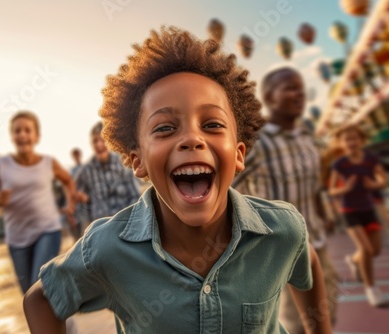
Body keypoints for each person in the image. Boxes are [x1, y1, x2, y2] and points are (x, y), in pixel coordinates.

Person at [24, 27, 331, 333]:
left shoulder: (282, 230)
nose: (192, 139)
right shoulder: (107, 249)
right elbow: (41, 301)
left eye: (211, 124)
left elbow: (307, 267)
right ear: (138, 160)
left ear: (239, 154)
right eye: (164, 128)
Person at [232, 67, 338, 333]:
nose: (299, 93)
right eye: (290, 87)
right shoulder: (255, 142)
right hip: (278, 252)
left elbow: (314, 186)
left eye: (301, 87)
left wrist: (323, 214)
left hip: (317, 246)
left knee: (325, 318)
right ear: (269, 96)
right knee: (295, 325)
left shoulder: (308, 138)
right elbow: (224, 188)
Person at [0, 111, 77, 294]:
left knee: (38, 287)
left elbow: (68, 181)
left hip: (48, 231)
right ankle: (65, 321)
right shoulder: (1, 165)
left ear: (36, 136)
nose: (22, 135)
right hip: (17, 239)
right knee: (28, 295)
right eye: (17, 131)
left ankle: (61, 320)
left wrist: (70, 204)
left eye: (27, 130)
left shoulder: (48, 163)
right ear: (12, 136)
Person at [329, 124, 387, 307]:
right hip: (349, 211)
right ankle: (372, 290)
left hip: (368, 209)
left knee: (375, 250)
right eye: (347, 139)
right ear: (341, 143)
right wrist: (344, 188)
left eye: (354, 138)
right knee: (367, 250)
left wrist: (374, 184)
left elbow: (382, 179)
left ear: (361, 140)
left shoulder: (370, 158)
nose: (351, 142)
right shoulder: (340, 164)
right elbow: (332, 190)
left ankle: (354, 260)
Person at [73, 121, 140, 222]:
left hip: (126, 225)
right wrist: (85, 201)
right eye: (95, 141)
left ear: (110, 142)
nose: (99, 144)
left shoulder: (124, 163)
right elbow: (75, 196)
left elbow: (135, 197)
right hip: (100, 230)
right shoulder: (85, 171)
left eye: (102, 140)